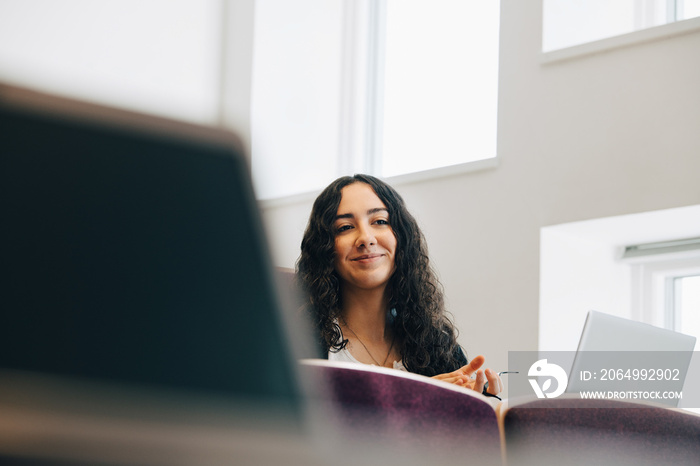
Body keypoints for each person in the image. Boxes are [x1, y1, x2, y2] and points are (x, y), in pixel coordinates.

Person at [296, 174, 502, 397]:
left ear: (402, 239)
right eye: (345, 227)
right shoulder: (299, 342)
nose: (366, 238)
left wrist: (481, 404)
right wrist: (416, 399)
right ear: (324, 248)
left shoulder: (435, 343)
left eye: (380, 222)